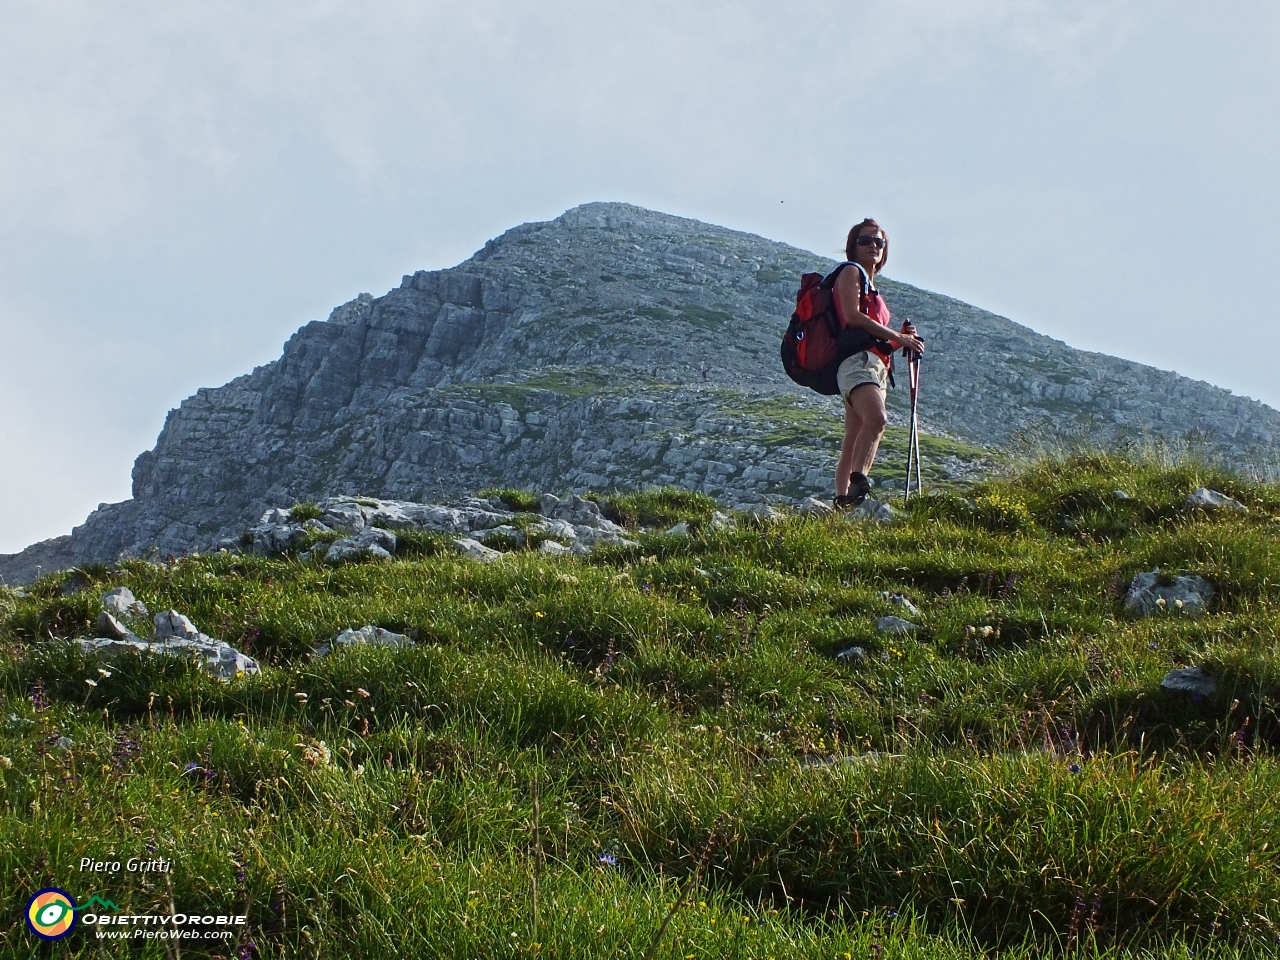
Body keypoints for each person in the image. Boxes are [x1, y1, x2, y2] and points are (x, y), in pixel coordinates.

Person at [832, 219, 925, 507]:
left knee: (855, 434)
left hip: (874, 364)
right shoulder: (850, 272)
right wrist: (899, 337)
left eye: (879, 242)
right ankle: (858, 481)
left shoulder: (872, 287)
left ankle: (842, 502)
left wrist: (901, 342)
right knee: (877, 419)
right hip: (857, 362)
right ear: (853, 246)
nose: (873, 245)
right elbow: (852, 317)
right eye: (866, 241)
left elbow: (874, 337)